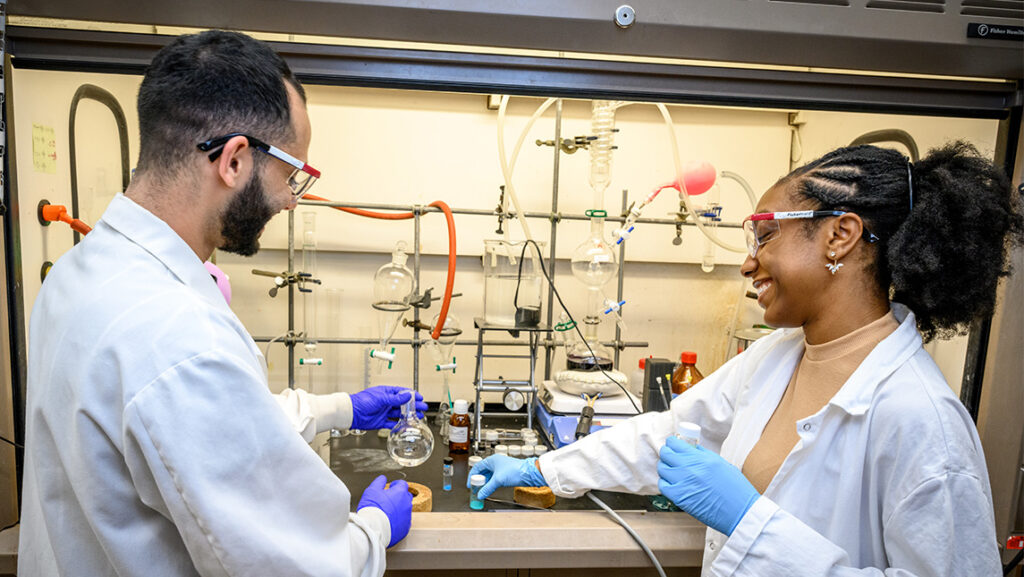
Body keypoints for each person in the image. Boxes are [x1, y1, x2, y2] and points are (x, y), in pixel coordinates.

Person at [472, 141, 1022, 575]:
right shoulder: (778, 357)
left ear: (841, 235)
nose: (748, 262)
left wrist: (749, 521)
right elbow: (670, 437)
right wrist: (543, 468)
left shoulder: (921, 418)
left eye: (765, 234)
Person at [19, 30, 426, 577]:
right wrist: (373, 527)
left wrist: (341, 410)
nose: (288, 198)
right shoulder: (180, 335)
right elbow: (299, 568)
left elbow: (202, 430)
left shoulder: (79, 272)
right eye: (290, 175)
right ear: (234, 160)